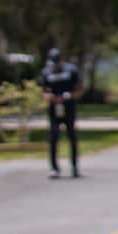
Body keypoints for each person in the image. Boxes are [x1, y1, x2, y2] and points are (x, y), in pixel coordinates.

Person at [38, 47, 82, 178]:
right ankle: (54, 168)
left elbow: (79, 89)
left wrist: (69, 96)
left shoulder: (71, 70)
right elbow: (43, 90)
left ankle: (74, 167)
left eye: (56, 63)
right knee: (53, 137)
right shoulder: (46, 72)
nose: (55, 66)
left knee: (72, 136)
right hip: (54, 109)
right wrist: (49, 96)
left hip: (69, 108)